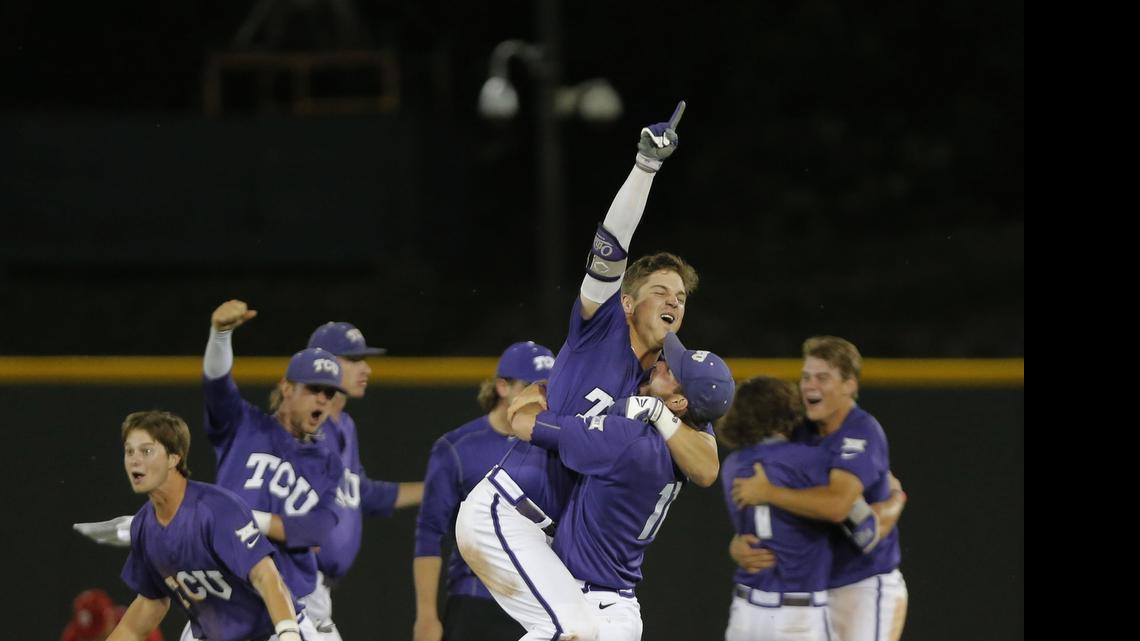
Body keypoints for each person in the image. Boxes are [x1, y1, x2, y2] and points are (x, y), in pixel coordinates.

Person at [452, 102, 720, 641]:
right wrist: (645, 168)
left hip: (548, 538)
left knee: (577, 635)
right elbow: (612, 244)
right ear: (626, 301)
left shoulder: (671, 380)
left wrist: (662, 420)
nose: (674, 302)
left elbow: (708, 465)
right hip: (507, 510)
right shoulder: (601, 328)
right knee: (569, 631)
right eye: (660, 292)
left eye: (681, 298)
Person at [503, 332, 736, 641]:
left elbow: (526, 425)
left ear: (679, 401)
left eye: (672, 372)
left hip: (592, 607)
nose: (663, 364)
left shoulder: (633, 443)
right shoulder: (683, 435)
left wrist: (537, 393)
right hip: (609, 603)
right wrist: (656, 411)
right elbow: (703, 451)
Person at [731, 336, 908, 641]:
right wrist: (737, 542)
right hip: (814, 588)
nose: (810, 385)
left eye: (823, 377)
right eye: (806, 377)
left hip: (862, 581)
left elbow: (837, 506)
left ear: (849, 385)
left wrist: (769, 493)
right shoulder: (800, 428)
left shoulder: (861, 430)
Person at [105, 410, 315, 641]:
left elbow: (266, 577)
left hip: (273, 632)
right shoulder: (144, 527)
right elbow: (147, 608)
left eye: (146, 451)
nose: (135, 459)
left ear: (174, 458)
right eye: (129, 451)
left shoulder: (216, 510)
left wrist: (288, 634)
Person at [411, 341, 554, 641]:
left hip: (544, 601)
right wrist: (426, 616)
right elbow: (429, 533)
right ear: (503, 387)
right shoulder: (458, 447)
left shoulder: (557, 443)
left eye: (549, 387)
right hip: (477, 601)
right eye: (533, 385)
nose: (543, 395)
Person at [299, 321, 426, 640]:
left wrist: (435, 489)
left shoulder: (345, 426)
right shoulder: (304, 429)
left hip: (317, 592)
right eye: (353, 360)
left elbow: (362, 494)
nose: (365, 368)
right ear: (323, 364)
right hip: (295, 583)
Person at [718, 376, 839, 641]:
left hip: (746, 613)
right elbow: (852, 517)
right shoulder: (810, 459)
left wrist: (735, 545)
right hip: (798, 613)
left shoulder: (733, 464)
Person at [60, 589, 163, 641]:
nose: (94, 640)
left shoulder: (138, 625)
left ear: (110, 619)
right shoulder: (73, 635)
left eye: (98, 635)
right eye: (87, 638)